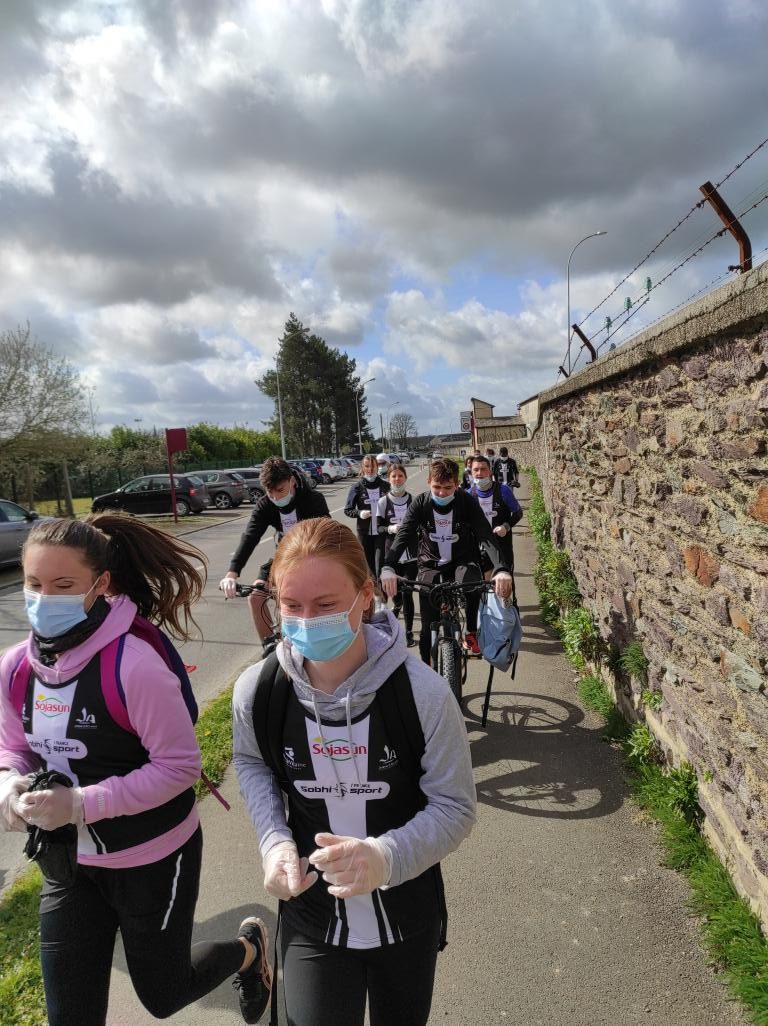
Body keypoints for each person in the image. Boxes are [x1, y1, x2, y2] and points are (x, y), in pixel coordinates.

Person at [0, 516, 271, 1026]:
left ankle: (250, 951)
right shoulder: (15, 667)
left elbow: (180, 766)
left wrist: (81, 804)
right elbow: (12, 748)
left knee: (163, 995)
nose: (43, 598)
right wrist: (9, 787)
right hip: (68, 867)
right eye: (34, 585)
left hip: (151, 857)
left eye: (63, 586)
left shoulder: (134, 664)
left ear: (101, 584)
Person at [232, 518, 476, 1026]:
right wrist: (274, 841)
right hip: (311, 919)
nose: (305, 621)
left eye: (325, 606)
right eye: (290, 605)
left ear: (366, 596)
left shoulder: (424, 693)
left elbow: (455, 806)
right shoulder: (258, 692)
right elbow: (253, 762)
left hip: (406, 919)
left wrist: (384, 858)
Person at [380, 457, 513, 663]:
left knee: (471, 583)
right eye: (437, 487)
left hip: (462, 559)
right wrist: (388, 566)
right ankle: (426, 668)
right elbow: (404, 535)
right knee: (427, 626)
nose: (442, 493)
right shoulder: (420, 503)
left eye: (448, 487)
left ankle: (470, 631)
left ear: (457, 484)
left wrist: (501, 569)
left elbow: (485, 535)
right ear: (428, 483)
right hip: (430, 563)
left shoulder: (467, 501)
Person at [220, 457, 330, 654]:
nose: (276, 497)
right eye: (270, 492)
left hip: (312, 558)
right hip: (283, 558)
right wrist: (232, 573)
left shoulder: (313, 500)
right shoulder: (265, 505)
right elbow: (250, 537)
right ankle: (270, 648)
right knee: (256, 596)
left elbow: (328, 535)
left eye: (280, 490)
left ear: (292, 481)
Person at [377, 462, 417, 647]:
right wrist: (391, 528)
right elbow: (379, 528)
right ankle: (397, 605)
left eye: (400, 476)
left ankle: (408, 632)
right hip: (392, 554)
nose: (397, 479)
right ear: (388, 479)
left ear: (405, 478)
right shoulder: (383, 502)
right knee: (396, 593)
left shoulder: (414, 500)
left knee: (407, 591)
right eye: (393, 476)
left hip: (411, 555)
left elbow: (422, 525)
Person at [467, 455, 523, 579]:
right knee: (486, 586)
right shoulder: (468, 495)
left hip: (503, 547)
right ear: (471, 472)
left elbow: (518, 513)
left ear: (490, 471)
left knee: (504, 586)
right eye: (476, 469)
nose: (479, 473)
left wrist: (506, 527)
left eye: (483, 469)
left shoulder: (503, 490)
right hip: (481, 548)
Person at [344, 455, 390, 596]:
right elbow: (348, 510)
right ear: (363, 468)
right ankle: (375, 597)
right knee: (368, 569)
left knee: (379, 566)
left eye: (373, 466)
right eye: (367, 466)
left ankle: (382, 599)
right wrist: (359, 513)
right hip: (364, 534)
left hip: (381, 533)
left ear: (377, 467)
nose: (370, 470)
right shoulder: (357, 487)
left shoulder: (385, 486)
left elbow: (393, 506)